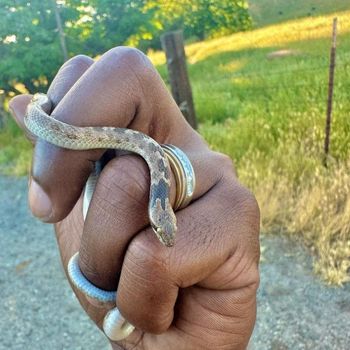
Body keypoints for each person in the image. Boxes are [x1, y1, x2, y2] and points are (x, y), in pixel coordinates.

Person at [9, 47, 260, 350]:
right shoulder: (146, 162)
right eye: (160, 229)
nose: (165, 239)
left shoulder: (156, 175)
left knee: (126, 179)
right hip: (62, 130)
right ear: (160, 212)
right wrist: (38, 106)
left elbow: (153, 157)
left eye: (162, 230)